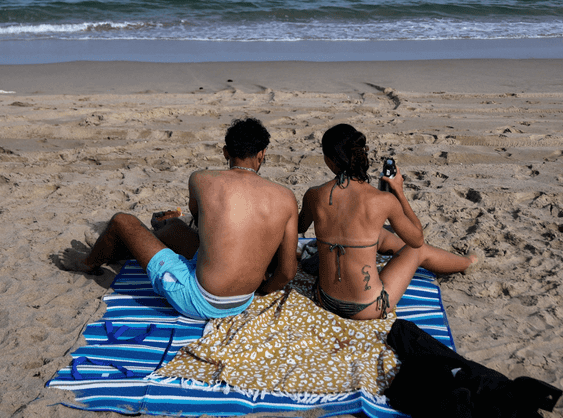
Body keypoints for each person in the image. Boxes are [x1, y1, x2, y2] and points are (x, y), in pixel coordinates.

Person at [62, 117, 299, 319]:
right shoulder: (286, 197)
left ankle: (87, 263)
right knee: (171, 227)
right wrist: (259, 291)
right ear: (262, 154)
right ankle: (131, 248)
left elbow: (200, 218)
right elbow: (287, 273)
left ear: (226, 151)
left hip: (198, 299)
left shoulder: (201, 179)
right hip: (242, 300)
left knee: (122, 221)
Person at [297, 123, 476, 320]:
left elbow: (300, 226)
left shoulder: (314, 195)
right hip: (369, 307)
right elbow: (417, 240)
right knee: (418, 251)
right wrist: (399, 192)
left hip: (325, 299)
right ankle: (468, 262)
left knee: (379, 234)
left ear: (329, 161)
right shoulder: (382, 200)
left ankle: (403, 255)